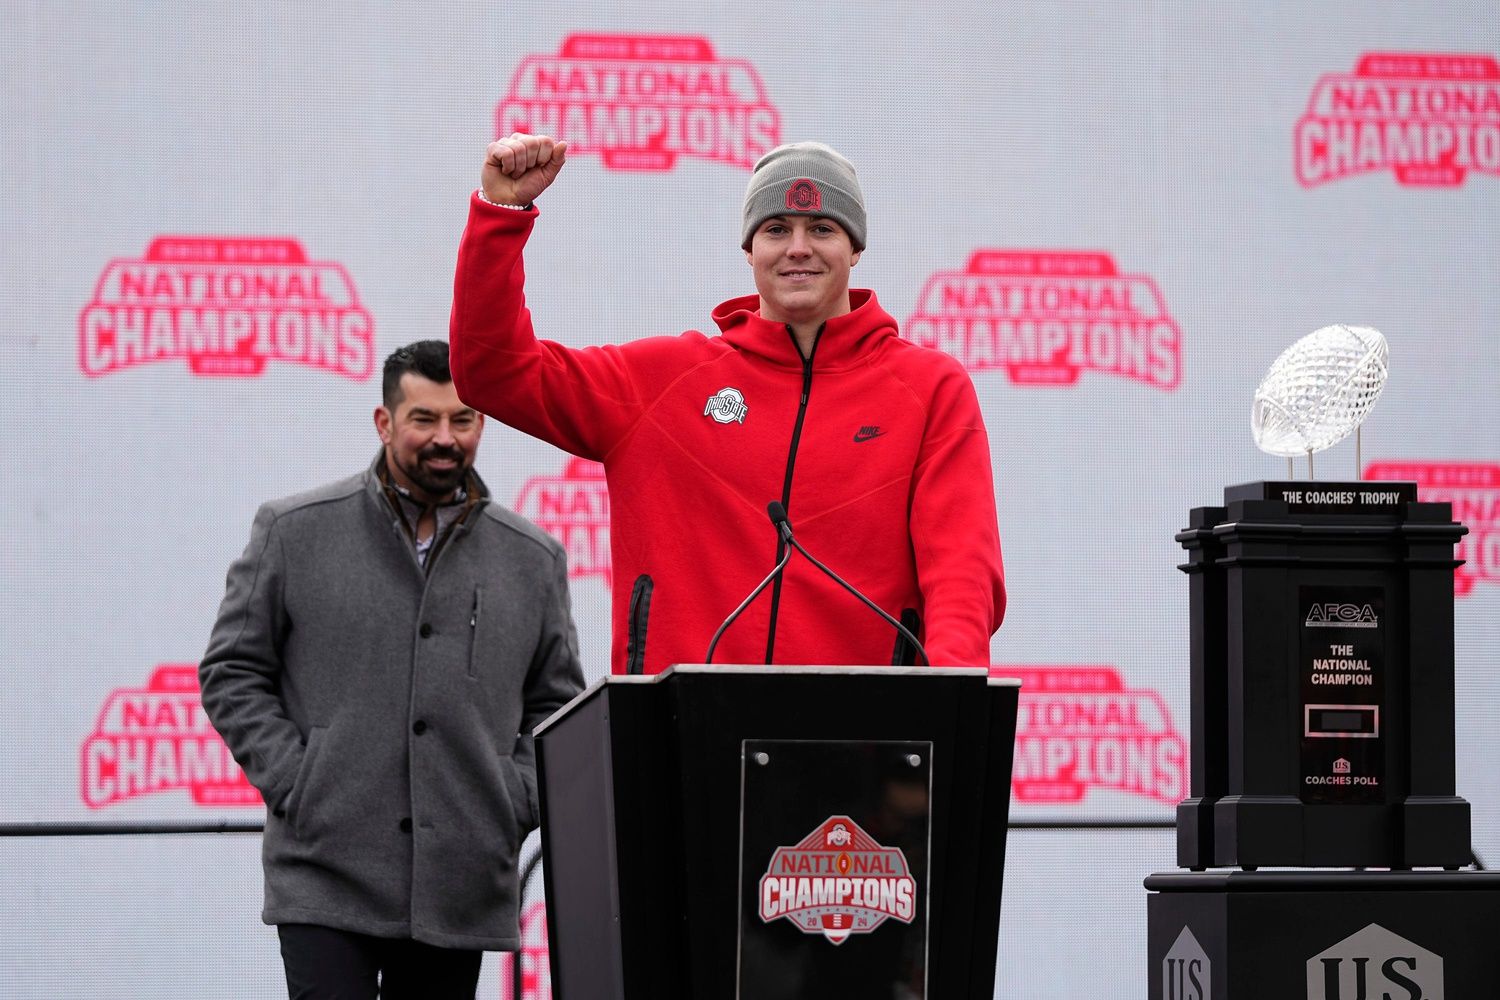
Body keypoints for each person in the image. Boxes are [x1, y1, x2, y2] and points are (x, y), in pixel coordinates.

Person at [450, 134, 1004, 675]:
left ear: (856, 249)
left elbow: (962, 576)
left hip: (863, 745)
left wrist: (950, 718)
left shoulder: (929, 388)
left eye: (824, 229)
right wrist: (501, 212)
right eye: (777, 229)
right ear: (749, 250)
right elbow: (494, 371)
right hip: (681, 742)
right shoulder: (665, 381)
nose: (799, 248)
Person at [199, 340, 584, 999]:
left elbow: (558, 705)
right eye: (424, 419)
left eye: (462, 420)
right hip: (324, 874)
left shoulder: (532, 558)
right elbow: (231, 670)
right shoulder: (294, 532)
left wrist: (511, 800)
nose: (445, 439)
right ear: (385, 422)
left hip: (459, 882)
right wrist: (299, 782)